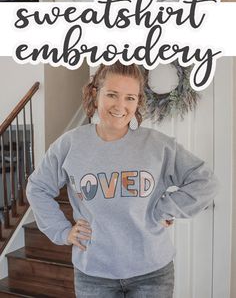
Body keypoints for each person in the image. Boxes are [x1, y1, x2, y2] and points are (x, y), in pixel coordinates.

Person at [26, 62, 218, 298]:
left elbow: (204, 181)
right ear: (96, 94)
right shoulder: (70, 144)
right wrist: (62, 231)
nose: (121, 105)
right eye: (112, 95)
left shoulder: (157, 145)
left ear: (138, 101)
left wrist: (165, 208)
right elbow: (38, 187)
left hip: (152, 273)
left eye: (130, 98)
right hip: (94, 274)